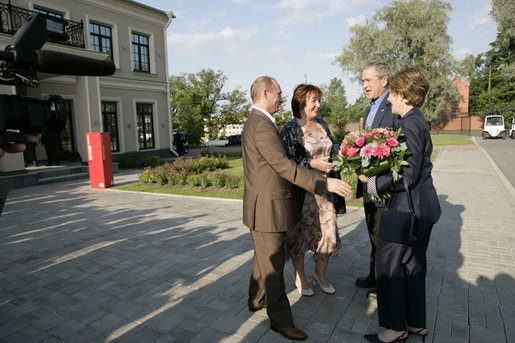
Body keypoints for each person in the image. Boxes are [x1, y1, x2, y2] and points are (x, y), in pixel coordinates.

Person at [242, 76, 351, 341]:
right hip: (268, 208)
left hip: (265, 206)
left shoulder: (260, 122)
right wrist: (324, 183)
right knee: (273, 267)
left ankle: (256, 299)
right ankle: (281, 321)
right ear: (265, 93)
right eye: (278, 93)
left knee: (264, 257)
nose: (281, 98)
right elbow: (284, 166)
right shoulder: (262, 126)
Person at [361, 66, 441, 343]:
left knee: (389, 267)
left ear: (404, 95)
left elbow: (407, 174)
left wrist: (370, 181)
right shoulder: (416, 120)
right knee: (412, 266)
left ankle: (395, 328)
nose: (390, 99)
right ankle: (415, 322)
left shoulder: (409, 124)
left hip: (407, 209)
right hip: (422, 207)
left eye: (393, 93)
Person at [280, 84, 340, 296]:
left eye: (318, 100)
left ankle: (320, 274)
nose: (318, 104)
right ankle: (300, 276)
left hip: (326, 192)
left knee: (328, 234)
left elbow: (335, 148)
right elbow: (287, 162)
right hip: (302, 193)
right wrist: (312, 164)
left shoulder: (322, 123)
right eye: (314, 100)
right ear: (301, 103)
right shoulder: (290, 128)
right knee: (301, 235)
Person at [356, 62, 399, 298]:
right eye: (362, 81)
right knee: (373, 229)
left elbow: (395, 147)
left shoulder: (392, 106)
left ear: (384, 80)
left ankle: (384, 281)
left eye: (368, 80)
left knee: (382, 232)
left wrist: (375, 171)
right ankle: (374, 274)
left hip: (382, 183)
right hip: (367, 181)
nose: (364, 85)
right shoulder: (369, 108)